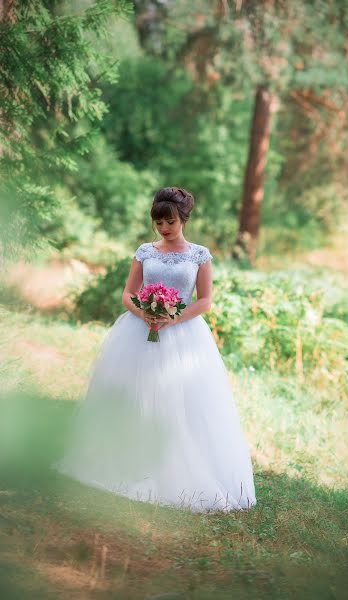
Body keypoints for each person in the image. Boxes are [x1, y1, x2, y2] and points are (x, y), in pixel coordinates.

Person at [52, 187, 257, 513]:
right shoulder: (145, 251)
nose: (164, 228)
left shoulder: (199, 255)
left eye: (170, 221)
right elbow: (128, 293)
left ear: (183, 219)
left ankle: (175, 468)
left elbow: (204, 300)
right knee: (135, 393)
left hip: (184, 334)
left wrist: (173, 316)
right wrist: (144, 312)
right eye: (159, 222)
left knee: (178, 399)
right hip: (139, 330)